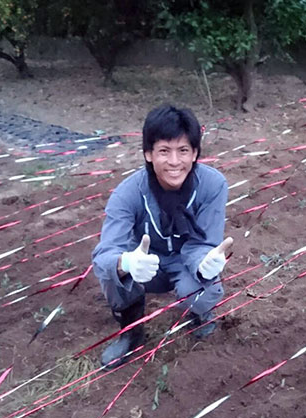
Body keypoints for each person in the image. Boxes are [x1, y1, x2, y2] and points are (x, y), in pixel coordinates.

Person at [92, 104, 233, 367]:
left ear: (195, 154)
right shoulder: (127, 194)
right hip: (146, 264)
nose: (174, 162)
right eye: (164, 151)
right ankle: (131, 333)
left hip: (185, 262)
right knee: (111, 272)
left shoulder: (213, 185)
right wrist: (127, 262)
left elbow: (203, 242)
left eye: (183, 151)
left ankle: (199, 313)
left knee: (203, 290)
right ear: (148, 154)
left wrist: (205, 262)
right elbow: (105, 254)